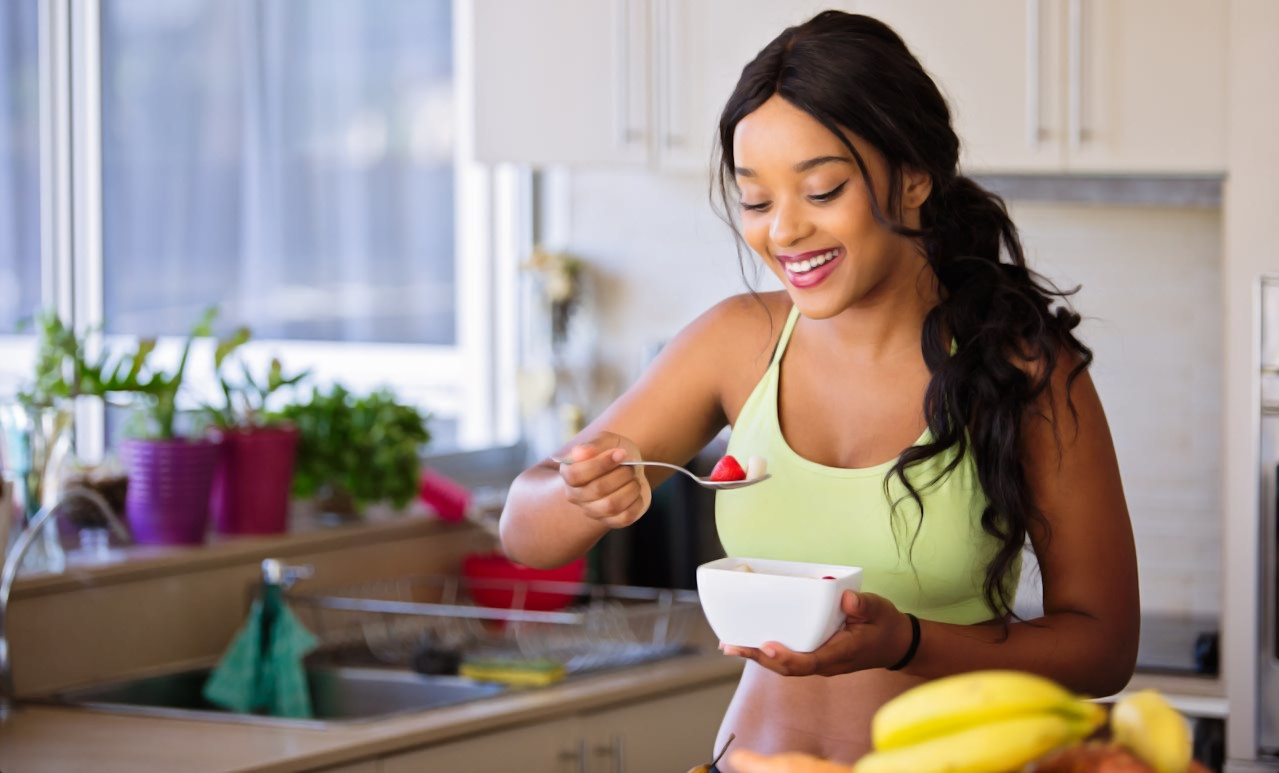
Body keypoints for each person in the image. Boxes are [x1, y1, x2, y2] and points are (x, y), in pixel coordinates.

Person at [499, 9, 1139, 770]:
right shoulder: (736, 343)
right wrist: (580, 494)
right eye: (757, 201)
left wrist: (906, 641)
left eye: (822, 190)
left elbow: (1103, 647)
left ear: (911, 180)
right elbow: (522, 531)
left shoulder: (1022, 368)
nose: (784, 232)